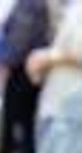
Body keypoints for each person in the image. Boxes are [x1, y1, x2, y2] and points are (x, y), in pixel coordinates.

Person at [0, 0, 52, 153]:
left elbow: (21, 36)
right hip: (29, 67)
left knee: (13, 119)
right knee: (26, 120)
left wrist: (6, 62)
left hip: (21, 68)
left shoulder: (30, 4)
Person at [26, 0, 82, 141]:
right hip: (53, 104)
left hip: (72, 115)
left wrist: (49, 57)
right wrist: (42, 61)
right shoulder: (74, 7)